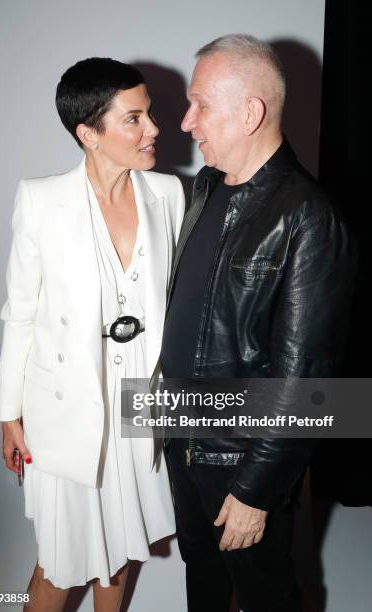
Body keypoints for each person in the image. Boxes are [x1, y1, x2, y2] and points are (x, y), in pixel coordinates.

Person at [160, 34, 356, 612]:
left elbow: (308, 381)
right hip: (186, 441)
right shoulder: (206, 186)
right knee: (204, 579)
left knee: (268, 594)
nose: (187, 121)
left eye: (200, 104)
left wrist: (255, 489)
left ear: (250, 113)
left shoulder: (310, 218)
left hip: (242, 459)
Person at [0, 57, 184, 612]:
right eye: (134, 119)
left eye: (149, 115)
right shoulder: (40, 200)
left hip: (136, 406)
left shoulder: (168, 194)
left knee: (119, 552)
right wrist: (8, 412)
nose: (153, 130)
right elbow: (19, 312)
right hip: (66, 406)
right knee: (62, 563)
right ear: (89, 134)